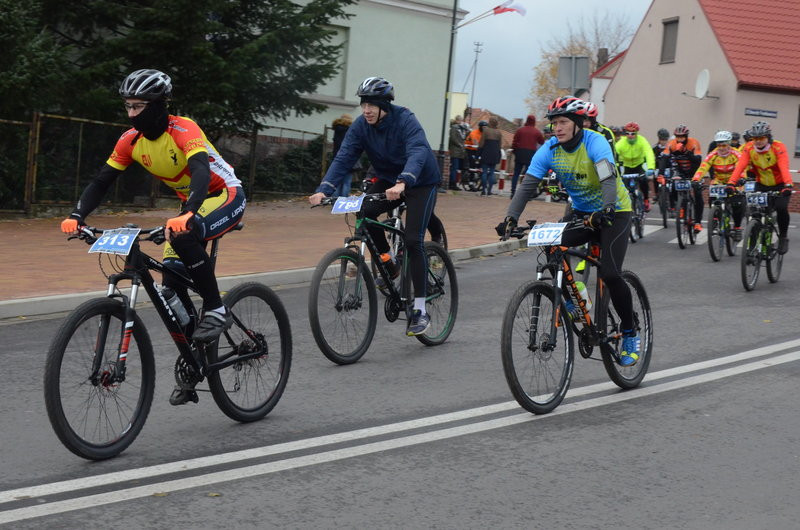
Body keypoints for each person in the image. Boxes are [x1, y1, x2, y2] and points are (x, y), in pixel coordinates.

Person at [59, 69, 245, 405]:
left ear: (159, 105)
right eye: (128, 106)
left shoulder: (183, 128)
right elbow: (102, 181)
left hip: (223, 194)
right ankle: (196, 356)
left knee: (185, 236)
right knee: (170, 284)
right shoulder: (130, 140)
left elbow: (201, 170)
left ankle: (216, 309)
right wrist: (77, 216)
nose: (132, 114)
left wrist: (188, 212)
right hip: (189, 205)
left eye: (138, 106)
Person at [495, 96, 640, 366]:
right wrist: (510, 218)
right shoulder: (550, 149)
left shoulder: (595, 142)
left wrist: (608, 208)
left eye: (563, 122)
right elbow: (528, 185)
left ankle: (630, 331)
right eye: (554, 123)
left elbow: (608, 178)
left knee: (610, 273)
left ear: (577, 123)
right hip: (582, 212)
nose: (557, 128)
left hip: (614, 212)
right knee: (551, 246)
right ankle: (575, 300)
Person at [309, 76, 440, 336]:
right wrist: (324, 189)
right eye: (363, 104)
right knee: (365, 212)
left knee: (412, 240)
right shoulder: (361, 126)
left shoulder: (405, 119)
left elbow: (417, 151)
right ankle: (389, 261)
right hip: (389, 178)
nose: (366, 110)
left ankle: (420, 309)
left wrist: (404, 181)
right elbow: (344, 156)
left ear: (384, 106)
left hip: (420, 181)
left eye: (371, 105)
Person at [730, 121, 793, 254]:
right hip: (761, 184)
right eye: (755, 138)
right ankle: (752, 243)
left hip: (780, 185)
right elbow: (740, 166)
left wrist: (788, 185)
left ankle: (783, 237)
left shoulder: (778, 147)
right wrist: (731, 183)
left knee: (781, 208)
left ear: (768, 137)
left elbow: (784, 166)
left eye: (761, 138)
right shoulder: (749, 147)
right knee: (754, 213)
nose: (758, 141)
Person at [691, 130, 744, 239]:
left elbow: (741, 168)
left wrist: (741, 178)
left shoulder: (736, 154)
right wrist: (696, 179)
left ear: (729, 144)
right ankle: (715, 217)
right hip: (719, 180)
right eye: (719, 145)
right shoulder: (713, 154)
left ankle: (737, 227)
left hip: (734, 181)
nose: (721, 148)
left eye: (724, 145)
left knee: (737, 204)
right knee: (712, 196)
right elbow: (703, 167)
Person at [658, 124, 703, 231]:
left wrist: (686, 151)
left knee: (697, 194)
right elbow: (664, 159)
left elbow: (698, 160)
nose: (680, 139)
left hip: (694, 170)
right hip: (680, 170)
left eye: (682, 137)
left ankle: (698, 222)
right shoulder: (671, 144)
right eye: (678, 137)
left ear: (686, 136)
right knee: (673, 184)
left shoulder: (694, 143)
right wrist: (661, 174)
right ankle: (680, 206)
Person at [615, 122, 656, 211]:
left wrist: (650, 167)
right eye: (628, 133)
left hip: (639, 165)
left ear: (636, 133)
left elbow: (649, 153)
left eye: (633, 133)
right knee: (623, 187)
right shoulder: (621, 143)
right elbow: (614, 155)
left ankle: (646, 199)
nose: (630, 136)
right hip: (627, 167)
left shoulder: (642, 140)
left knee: (644, 181)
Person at [509, 114, 544, 198]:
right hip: (530, 154)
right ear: (534, 122)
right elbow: (542, 141)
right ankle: (527, 194)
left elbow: (514, 142)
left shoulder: (520, 130)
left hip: (520, 153)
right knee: (529, 175)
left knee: (516, 173)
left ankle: (513, 192)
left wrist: (515, 151)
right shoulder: (536, 132)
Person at [331, 113, 354, 197]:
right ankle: (343, 200)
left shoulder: (337, 129)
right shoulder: (350, 130)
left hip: (337, 158)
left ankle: (335, 200)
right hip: (348, 158)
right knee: (346, 182)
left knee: (336, 182)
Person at [478, 117, 502, 196]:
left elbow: (481, 143)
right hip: (494, 155)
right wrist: (499, 155)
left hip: (486, 154)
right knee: (492, 173)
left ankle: (483, 190)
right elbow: (500, 146)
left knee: (484, 172)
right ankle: (489, 191)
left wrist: (478, 153)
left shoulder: (486, 131)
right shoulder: (499, 133)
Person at [448, 115, 469, 190]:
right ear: (457, 120)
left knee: (457, 168)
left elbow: (464, 138)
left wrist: (467, 131)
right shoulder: (454, 128)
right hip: (455, 151)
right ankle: (452, 183)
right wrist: (459, 144)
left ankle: (454, 183)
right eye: (460, 120)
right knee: (454, 168)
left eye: (461, 120)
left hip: (460, 152)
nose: (461, 122)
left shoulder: (462, 128)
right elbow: (453, 138)